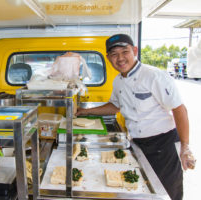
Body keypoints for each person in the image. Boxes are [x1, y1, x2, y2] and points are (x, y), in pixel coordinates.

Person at [76, 34, 195, 200]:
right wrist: (85, 111)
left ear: (135, 51)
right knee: (144, 191)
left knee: (167, 193)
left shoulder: (154, 76)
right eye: (114, 54)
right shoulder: (118, 81)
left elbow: (179, 109)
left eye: (125, 52)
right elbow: (115, 106)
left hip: (163, 146)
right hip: (138, 144)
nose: (120, 58)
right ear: (108, 57)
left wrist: (185, 146)